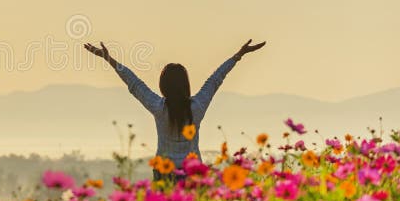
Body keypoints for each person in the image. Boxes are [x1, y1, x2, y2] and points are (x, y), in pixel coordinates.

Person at [84, 39, 265, 182]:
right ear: (186, 84)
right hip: (193, 174)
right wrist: (238, 55)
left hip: (165, 174)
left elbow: (135, 84)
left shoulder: (159, 107)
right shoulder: (197, 106)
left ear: (163, 85)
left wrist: (109, 59)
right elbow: (216, 79)